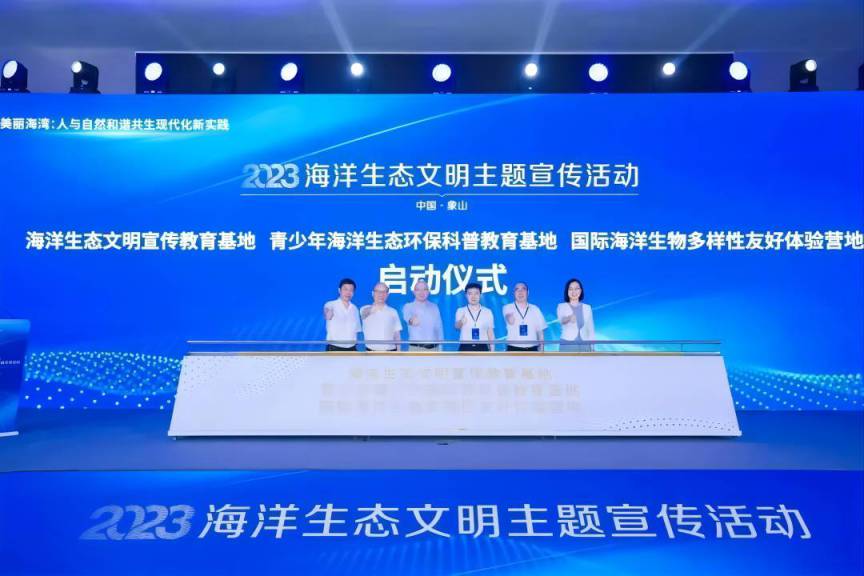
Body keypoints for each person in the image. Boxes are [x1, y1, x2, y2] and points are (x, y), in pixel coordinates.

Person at [502, 281, 547, 351]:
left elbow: (540, 333)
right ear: (514, 293)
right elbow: (510, 321)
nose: (520, 292)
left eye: (523, 289)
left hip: (532, 348)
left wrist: (542, 351)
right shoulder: (507, 307)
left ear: (528, 292)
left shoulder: (535, 309)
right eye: (517, 289)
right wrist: (510, 317)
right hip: (513, 348)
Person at [401, 279, 444, 351]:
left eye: (425, 289)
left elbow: (439, 329)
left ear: (428, 292)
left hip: (434, 349)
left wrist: (441, 348)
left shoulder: (434, 307)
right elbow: (408, 319)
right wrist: (412, 321)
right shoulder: (408, 307)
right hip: (416, 349)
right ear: (414, 292)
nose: (421, 292)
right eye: (418, 290)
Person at [360, 282, 402, 352]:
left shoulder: (393, 311)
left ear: (387, 295)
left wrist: (399, 351)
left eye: (384, 292)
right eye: (378, 291)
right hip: (371, 352)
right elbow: (364, 314)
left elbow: (397, 334)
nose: (381, 294)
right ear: (373, 293)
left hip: (390, 351)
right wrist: (373, 307)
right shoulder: (364, 308)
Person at [556, 278, 595, 352]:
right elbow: (561, 320)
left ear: (581, 291)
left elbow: (591, 330)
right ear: (567, 291)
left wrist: (592, 348)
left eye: (577, 288)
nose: (574, 291)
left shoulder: (587, 308)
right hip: (567, 344)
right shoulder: (561, 306)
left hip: (585, 345)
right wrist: (569, 318)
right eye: (570, 289)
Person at [323, 278, 362, 351]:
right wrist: (328, 314)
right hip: (334, 348)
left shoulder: (355, 309)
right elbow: (327, 314)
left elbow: (356, 330)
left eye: (351, 290)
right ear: (339, 290)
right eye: (345, 289)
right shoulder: (331, 304)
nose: (348, 292)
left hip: (352, 348)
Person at [454, 282, 495, 351]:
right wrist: (461, 322)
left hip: (482, 347)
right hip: (465, 346)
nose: (473, 296)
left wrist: (492, 350)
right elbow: (456, 327)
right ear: (466, 295)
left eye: (476, 293)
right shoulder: (460, 310)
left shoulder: (487, 312)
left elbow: (490, 332)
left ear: (480, 295)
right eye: (470, 293)